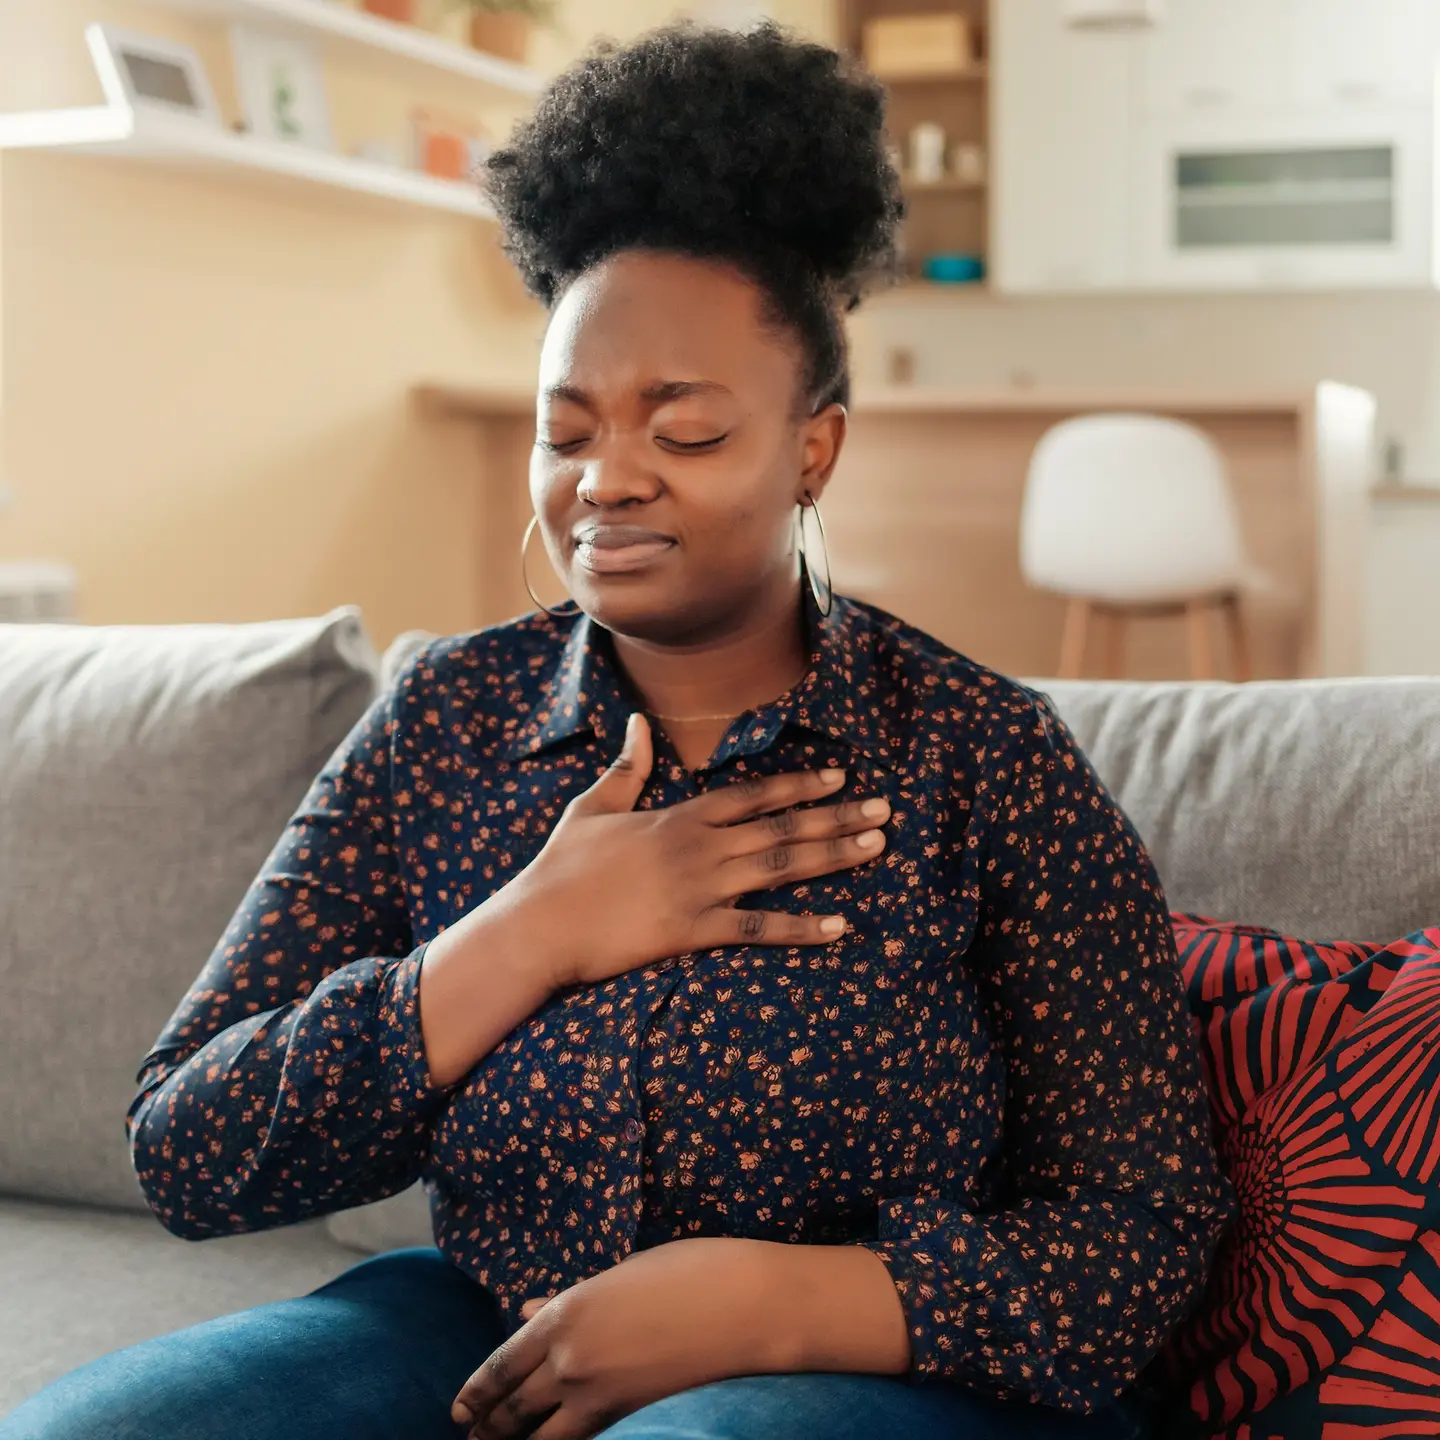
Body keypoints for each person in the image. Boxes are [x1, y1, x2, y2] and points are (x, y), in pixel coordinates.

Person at [0, 21, 1231, 1440]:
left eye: (685, 433)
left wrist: (775, 1304)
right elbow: (188, 1151)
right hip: (484, 1324)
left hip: (879, 1374)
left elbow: (1144, 1237)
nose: (608, 482)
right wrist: (529, 935)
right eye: (566, 429)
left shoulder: (980, 755)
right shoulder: (448, 725)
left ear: (813, 448)